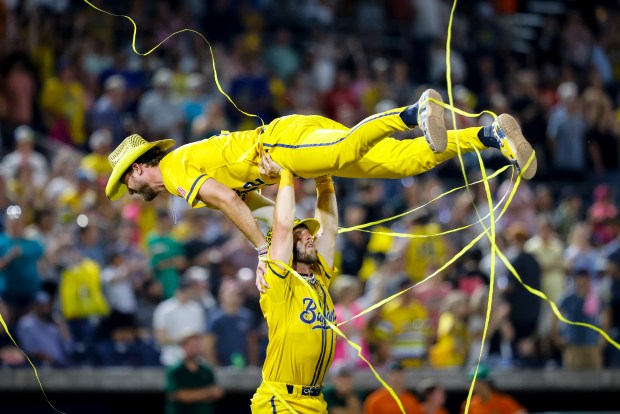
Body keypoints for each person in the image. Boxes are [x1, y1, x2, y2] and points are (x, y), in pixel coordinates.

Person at [105, 89, 537, 287]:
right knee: (399, 164)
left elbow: (222, 200)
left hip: (280, 141)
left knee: (344, 151)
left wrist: (261, 251)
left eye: (127, 180)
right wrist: (281, 229)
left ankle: (413, 110)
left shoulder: (175, 171)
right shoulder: (186, 166)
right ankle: (488, 136)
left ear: (140, 168)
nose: (129, 188)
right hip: (286, 153)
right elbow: (255, 205)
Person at [249, 153, 339, 413]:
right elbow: (282, 225)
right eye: (301, 236)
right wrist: (286, 174)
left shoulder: (319, 278)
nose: (310, 238)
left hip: (315, 401)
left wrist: (324, 178)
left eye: (310, 234)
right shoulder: (279, 281)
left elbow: (329, 228)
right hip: (281, 399)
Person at [165, 329, 224, 414]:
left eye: (197, 343)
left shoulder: (206, 370)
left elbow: (217, 393)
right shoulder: (175, 371)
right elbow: (179, 395)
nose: (195, 347)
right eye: (191, 344)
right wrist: (207, 393)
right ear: (183, 346)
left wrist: (199, 394)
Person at [460, 364, 526, 414]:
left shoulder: (503, 401)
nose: (470, 386)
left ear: (485, 383)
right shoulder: (469, 404)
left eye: (474, 382)